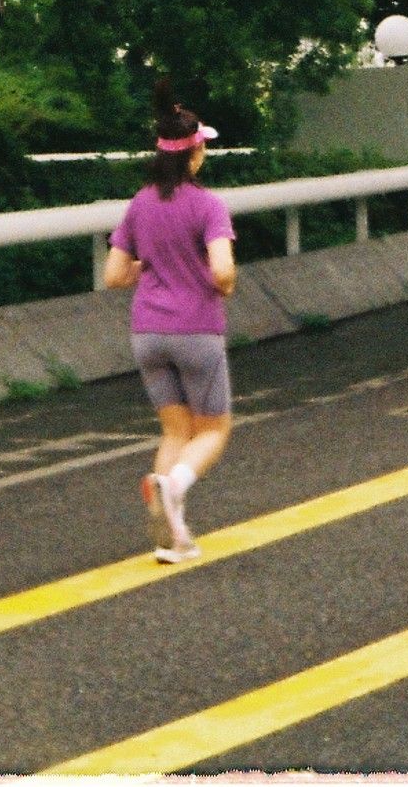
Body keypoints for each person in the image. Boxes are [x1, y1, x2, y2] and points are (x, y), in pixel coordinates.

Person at [99, 98, 238, 562]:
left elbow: (114, 275)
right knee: (214, 430)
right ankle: (172, 486)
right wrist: (225, 284)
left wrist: (152, 265)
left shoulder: (140, 203)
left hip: (147, 332)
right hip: (196, 329)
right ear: (194, 154)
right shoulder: (208, 205)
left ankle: (172, 538)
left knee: (176, 431)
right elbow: (221, 270)